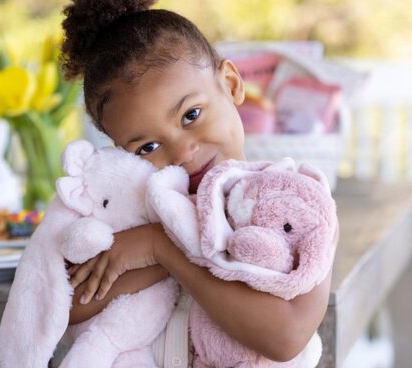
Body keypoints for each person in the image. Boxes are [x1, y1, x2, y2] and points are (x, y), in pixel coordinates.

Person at [58, 0, 330, 363]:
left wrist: (164, 249)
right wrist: (148, 246)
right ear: (121, 152)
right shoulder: (126, 212)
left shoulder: (298, 200)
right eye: (147, 146)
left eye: (191, 115)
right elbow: (62, 308)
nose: (183, 152)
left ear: (231, 84)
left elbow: (286, 336)